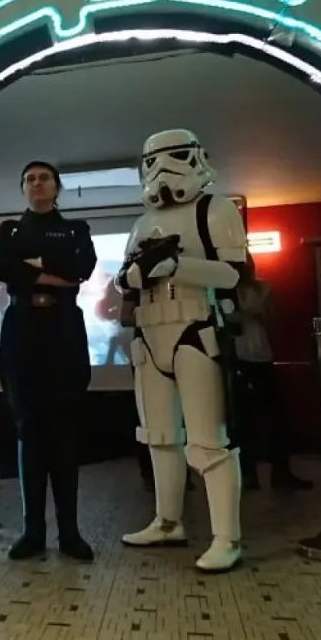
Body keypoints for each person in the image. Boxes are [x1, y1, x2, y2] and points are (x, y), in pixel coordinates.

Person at [117, 129, 245, 573]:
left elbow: (232, 274)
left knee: (209, 441)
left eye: (173, 157)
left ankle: (226, 537)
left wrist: (177, 265)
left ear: (195, 158)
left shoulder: (216, 209)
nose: (162, 170)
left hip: (195, 328)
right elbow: (124, 278)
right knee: (160, 437)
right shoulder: (141, 223)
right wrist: (135, 274)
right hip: (150, 335)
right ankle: (167, 521)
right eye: (153, 161)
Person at [0, 160, 95, 562]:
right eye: (29, 179)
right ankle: (33, 532)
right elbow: (0, 266)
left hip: (64, 328)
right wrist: (53, 271)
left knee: (65, 431)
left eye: (44, 178)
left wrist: (30, 269)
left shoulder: (76, 230)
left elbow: (80, 269)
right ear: (23, 189)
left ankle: (70, 533)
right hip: (22, 330)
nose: (37, 183)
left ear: (57, 187)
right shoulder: (9, 231)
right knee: (28, 429)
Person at [231, 255, 311, 490]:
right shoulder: (225, 291)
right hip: (239, 357)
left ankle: (280, 472)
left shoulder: (264, 289)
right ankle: (248, 473)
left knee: (276, 416)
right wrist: (247, 316)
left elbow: (272, 322)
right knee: (243, 419)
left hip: (262, 356)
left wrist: (259, 316)